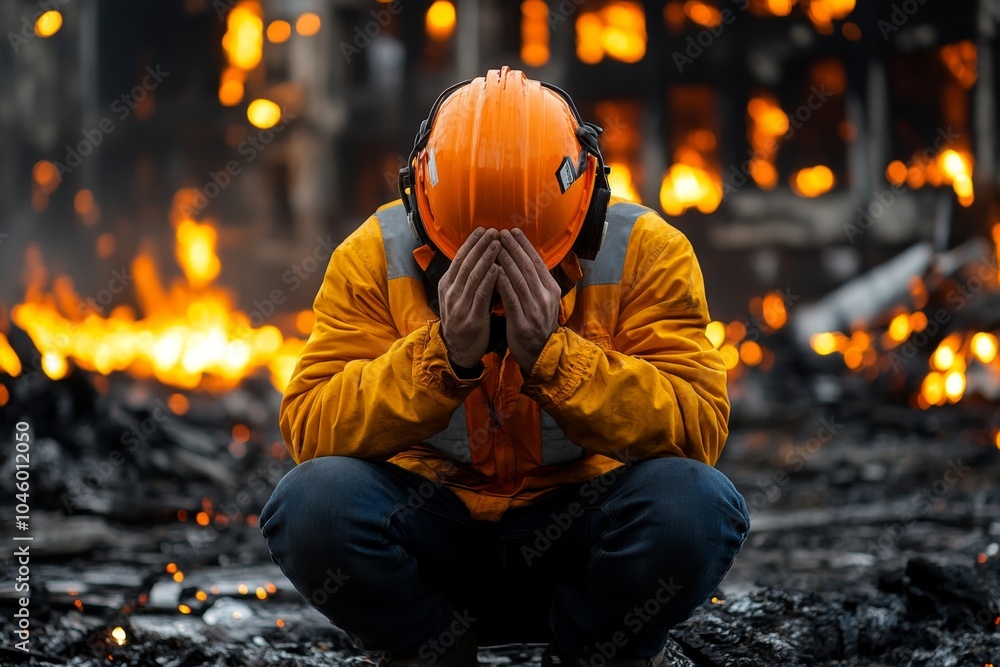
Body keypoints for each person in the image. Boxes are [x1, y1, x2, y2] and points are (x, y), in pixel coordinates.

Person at [259, 66, 749, 667]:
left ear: (587, 200)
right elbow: (311, 429)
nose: (500, 276)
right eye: (463, 252)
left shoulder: (648, 250)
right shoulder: (372, 255)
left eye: (533, 256)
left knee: (695, 505)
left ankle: (592, 654)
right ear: (419, 200)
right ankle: (433, 652)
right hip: (433, 543)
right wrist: (443, 359)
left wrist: (556, 357)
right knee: (312, 504)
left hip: (583, 543)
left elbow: (698, 428)